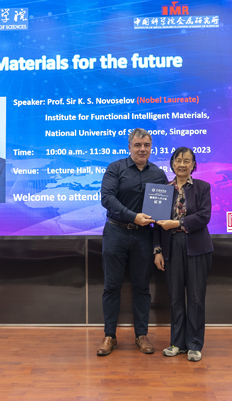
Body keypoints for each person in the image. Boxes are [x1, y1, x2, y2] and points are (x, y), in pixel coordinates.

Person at [97, 128, 168, 356]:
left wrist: (157, 246)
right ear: (130, 147)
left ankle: (141, 335)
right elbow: (107, 198)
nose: (142, 149)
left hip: (143, 236)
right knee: (111, 286)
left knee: (142, 287)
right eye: (138, 145)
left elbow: (161, 213)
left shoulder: (158, 174)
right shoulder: (115, 168)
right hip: (116, 233)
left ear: (151, 147)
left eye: (146, 145)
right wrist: (132, 216)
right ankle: (109, 336)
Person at [153, 147, 213, 362]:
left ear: (193, 165)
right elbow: (156, 223)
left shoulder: (202, 187)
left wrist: (177, 223)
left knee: (196, 298)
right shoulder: (162, 190)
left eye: (187, 161)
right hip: (171, 247)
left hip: (196, 247)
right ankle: (177, 343)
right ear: (172, 164)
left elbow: (204, 216)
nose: (182, 164)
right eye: (178, 160)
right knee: (175, 296)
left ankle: (194, 344)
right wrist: (157, 250)